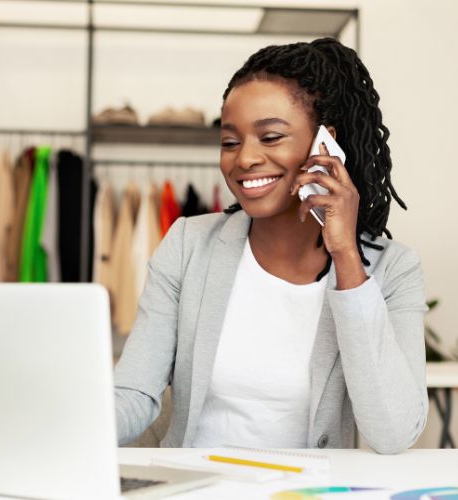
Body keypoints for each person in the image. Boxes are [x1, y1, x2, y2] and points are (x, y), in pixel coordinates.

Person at [114, 38, 428, 453]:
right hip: (194, 488)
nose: (244, 159)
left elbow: (393, 433)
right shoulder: (188, 244)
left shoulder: (393, 270)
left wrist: (347, 257)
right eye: (230, 142)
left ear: (325, 145)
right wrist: (62, 429)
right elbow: (135, 393)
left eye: (271, 136)